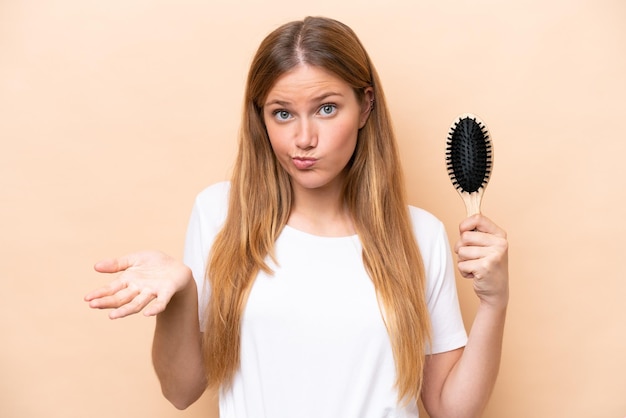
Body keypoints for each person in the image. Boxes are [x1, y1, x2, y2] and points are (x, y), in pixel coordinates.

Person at [84, 16, 509, 418]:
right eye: (282, 113)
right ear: (261, 118)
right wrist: (179, 298)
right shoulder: (219, 214)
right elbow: (181, 391)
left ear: (365, 107)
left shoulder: (420, 235)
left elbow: (449, 408)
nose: (303, 139)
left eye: (326, 108)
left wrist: (493, 302)